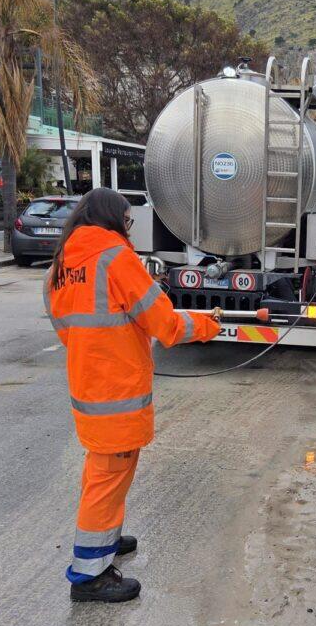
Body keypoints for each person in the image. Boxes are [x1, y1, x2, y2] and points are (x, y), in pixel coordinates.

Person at [44, 187, 221, 602]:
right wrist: (209, 324)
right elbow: (166, 325)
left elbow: (63, 323)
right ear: (113, 220)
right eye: (127, 220)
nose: (129, 228)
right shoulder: (115, 258)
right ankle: (90, 574)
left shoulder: (64, 261)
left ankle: (106, 539)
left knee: (102, 469)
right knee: (108, 475)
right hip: (117, 388)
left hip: (88, 385)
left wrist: (98, 349)